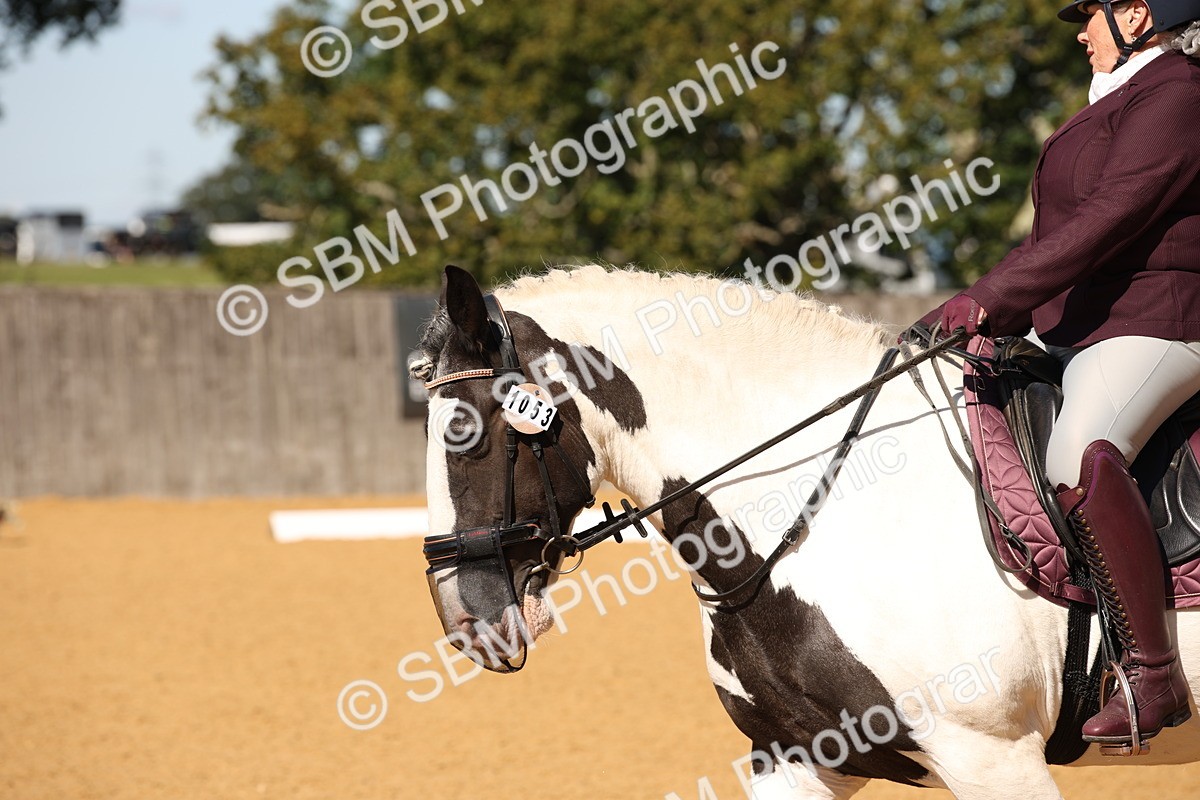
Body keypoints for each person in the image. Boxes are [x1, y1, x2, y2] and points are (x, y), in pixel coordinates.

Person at [905, 0, 1200, 752]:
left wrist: (992, 295)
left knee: (1077, 451)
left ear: (1136, 13)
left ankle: (1153, 673)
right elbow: (1062, 231)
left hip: (1161, 322)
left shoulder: (1179, 95)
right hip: (1082, 327)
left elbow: (1109, 217)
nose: (1079, 31)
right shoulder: (1125, 95)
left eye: (1090, 15)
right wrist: (1004, 320)